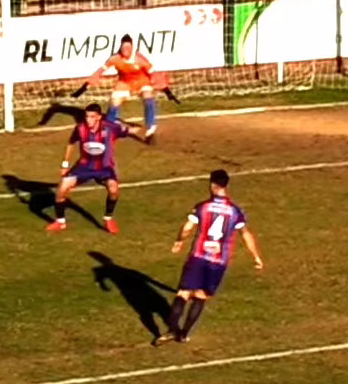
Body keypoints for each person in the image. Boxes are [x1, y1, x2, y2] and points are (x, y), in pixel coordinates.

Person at [155, 169, 263, 345]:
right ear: (226, 185)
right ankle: (184, 334)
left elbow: (187, 228)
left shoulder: (202, 207)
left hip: (198, 256)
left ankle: (172, 330)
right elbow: (245, 234)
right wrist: (256, 256)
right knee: (201, 295)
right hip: (219, 261)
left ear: (213, 185)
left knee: (183, 293)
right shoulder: (235, 211)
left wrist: (179, 241)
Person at [48, 103, 140, 234]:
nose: (88, 120)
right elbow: (71, 143)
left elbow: (129, 131)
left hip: (105, 168)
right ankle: (60, 222)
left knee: (113, 190)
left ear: (99, 117)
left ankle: (108, 219)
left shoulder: (111, 128)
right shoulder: (80, 128)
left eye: (92, 117)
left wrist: (142, 128)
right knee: (61, 189)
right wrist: (65, 164)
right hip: (84, 167)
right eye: (87, 116)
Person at [75, 34, 178, 142]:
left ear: (132, 47)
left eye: (128, 47)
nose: (125, 49)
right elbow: (99, 73)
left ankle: (150, 129)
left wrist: (168, 92)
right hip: (124, 82)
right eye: (123, 47)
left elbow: (155, 75)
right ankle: (109, 129)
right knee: (114, 102)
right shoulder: (115, 59)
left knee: (148, 97)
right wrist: (83, 88)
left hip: (142, 81)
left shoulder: (140, 59)